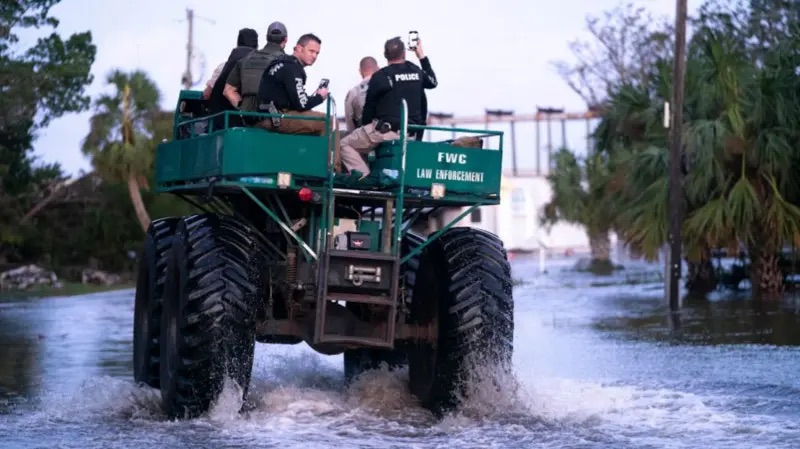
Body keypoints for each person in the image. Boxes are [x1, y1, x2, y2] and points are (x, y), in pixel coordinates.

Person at [339, 36, 437, 177]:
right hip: (411, 134)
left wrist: (367, 128)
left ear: (385, 56)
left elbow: (368, 112)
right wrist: (421, 55)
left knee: (344, 144)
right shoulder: (416, 71)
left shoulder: (380, 76)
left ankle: (364, 178)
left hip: (386, 132)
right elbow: (433, 82)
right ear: (404, 53)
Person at [255, 33, 341, 170]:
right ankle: (333, 171)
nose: (314, 56)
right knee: (331, 122)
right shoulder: (292, 68)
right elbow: (301, 103)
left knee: (315, 118)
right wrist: (320, 97)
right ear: (298, 48)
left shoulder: (280, 62)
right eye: (311, 51)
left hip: (267, 116)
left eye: (317, 53)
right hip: (277, 118)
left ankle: (311, 165)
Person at [224, 21, 288, 116]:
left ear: (267, 38)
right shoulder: (286, 62)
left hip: (247, 116)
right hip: (273, 118)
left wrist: (242, 107)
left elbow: (228, 91)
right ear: (285, 39)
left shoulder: (245, 59)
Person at [207, 28, 259, 130]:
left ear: (237, 43)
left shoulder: (222, 67)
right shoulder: (261, 67)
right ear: (257, 46)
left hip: (220, 122)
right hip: (249, 124)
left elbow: (207, 94)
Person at [343, 56, 379, 133]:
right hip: (386, 132)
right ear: (378, 69)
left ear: (360, 71)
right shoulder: (388, 86)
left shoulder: (353, 92)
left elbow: (349, 118)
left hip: (363, 134)